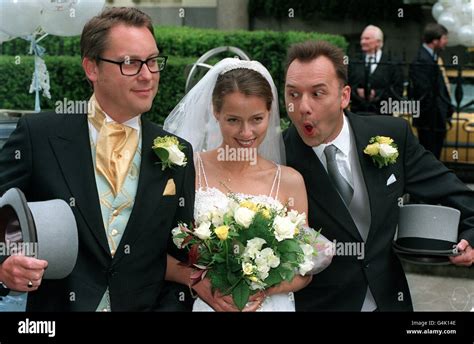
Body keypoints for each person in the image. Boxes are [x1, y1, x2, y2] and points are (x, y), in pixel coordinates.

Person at [0, 7, 195, 311]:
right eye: (130, 63)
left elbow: (180, 257)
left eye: (153, 61)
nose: (147, 75)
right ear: (92, 68)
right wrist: (3, 265)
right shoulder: (39, 136)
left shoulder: (177, 151)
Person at [283, 40, 474, 311]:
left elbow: (457, 195)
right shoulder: (278, 157)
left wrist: (470, 236)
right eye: (293, 95)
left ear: (344, 96)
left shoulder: (392, 136)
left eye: (317, 93)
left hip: (390, 301)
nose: (302, 107)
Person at [164, 58, 333, 311]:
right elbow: (153, 252)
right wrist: (200, 283)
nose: (246, 133)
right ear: (215, 111)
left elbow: (304, 267)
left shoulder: (289, 180)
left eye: (256, 119)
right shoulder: (188, 170)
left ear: (269, 113)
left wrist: (263, 287)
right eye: (233, 120)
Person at [409, 23, 454, 159]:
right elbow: (425, 92)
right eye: (444, 38)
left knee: (435, 156)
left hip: (436, 119)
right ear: (435, 40)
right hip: (429, 120)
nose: (446, 41)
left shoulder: (433, 58)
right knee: (430, 156)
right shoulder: (421, 60)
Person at [348, 25, 403, 116]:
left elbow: (397, 91)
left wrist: (376, 94)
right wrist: (357, 92)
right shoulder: (354, 61)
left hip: (382, 115)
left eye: (367, 39)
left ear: (378, 42)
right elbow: (347, 85)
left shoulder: (392, 63)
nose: (362, 42)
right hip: (358, 114)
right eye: (362, 39)